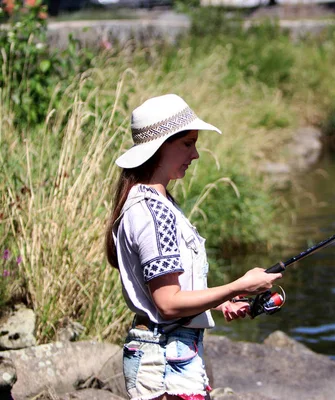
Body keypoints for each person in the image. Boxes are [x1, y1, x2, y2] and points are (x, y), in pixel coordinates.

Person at [104, 94, 282, 400]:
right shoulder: (152, 211)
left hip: (168, 351)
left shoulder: (154, 203)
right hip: (164, 360)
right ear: (160, 146)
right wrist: (237, 285)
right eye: (188, 144)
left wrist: (217, 302)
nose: (196, 154)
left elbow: (170, 292)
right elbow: (168, 304)